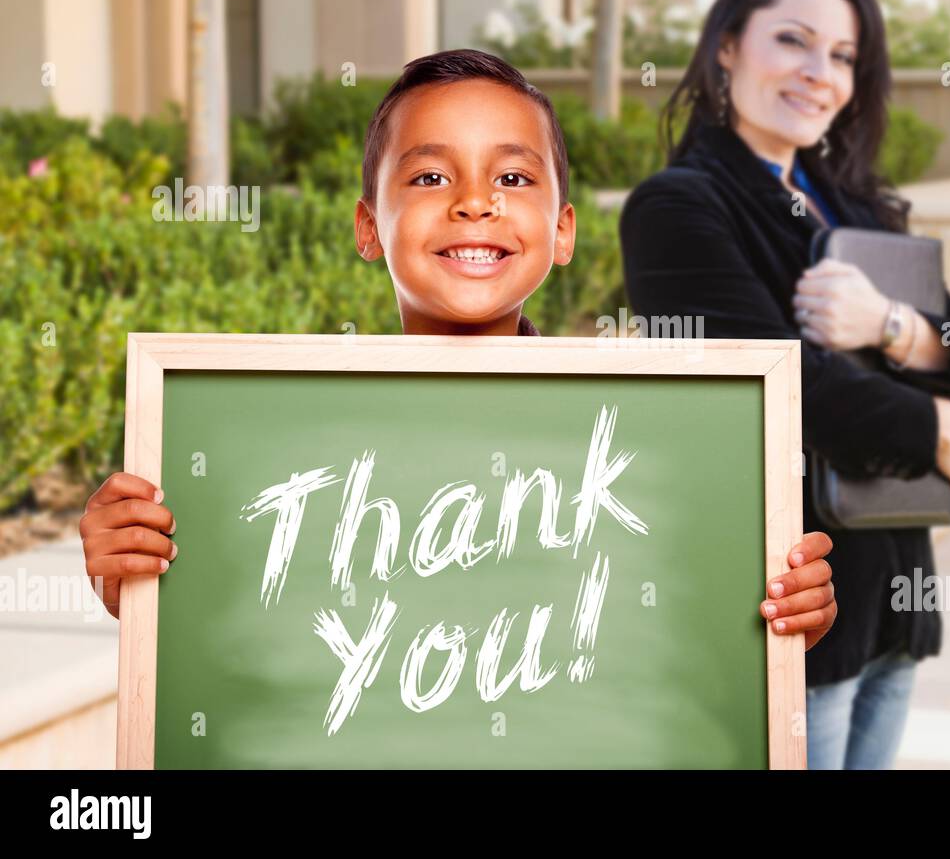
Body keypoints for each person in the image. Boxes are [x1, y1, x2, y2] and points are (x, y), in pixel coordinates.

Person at [80, 49, 837, 660]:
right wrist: (137, 579)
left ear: (564, 229)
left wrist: (793, 614)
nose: (476, 202)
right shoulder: (281, 444)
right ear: (369, 225)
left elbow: (695, 620)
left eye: (512, 177)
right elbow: (235, 623)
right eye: (431, 176)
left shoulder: (648, 436)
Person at [619, 0, 950, 769]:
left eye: (843, 57)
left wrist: (892, 325)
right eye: (792, 41)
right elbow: (771, 383)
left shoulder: (857, 204)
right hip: (798, 608)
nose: (819, 74)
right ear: (727, 45)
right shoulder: (678, 207)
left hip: (892, 597)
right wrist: (934, 421)